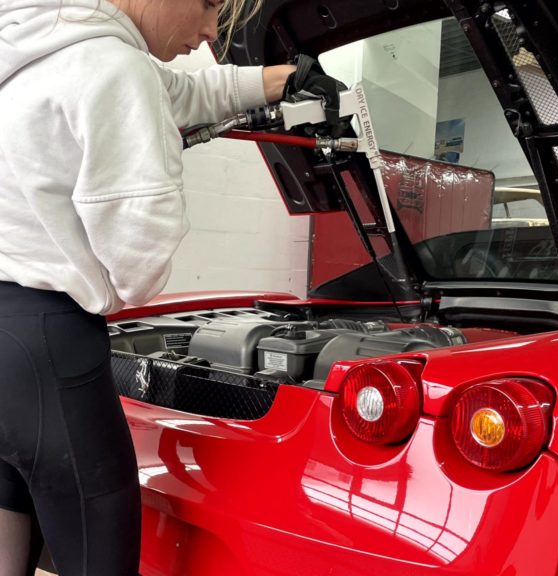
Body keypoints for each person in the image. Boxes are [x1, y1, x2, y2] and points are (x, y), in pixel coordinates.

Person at [0, 0, 342, 574]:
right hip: (49, 346)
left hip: (7, 336)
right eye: (209, 5)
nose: (210, 32)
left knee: (8, 505)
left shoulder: (35, 49)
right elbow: (139, 267)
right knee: (99, 550)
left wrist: (282, 80)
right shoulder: (116, 67)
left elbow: (182, 91)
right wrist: (156, 149)